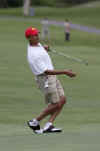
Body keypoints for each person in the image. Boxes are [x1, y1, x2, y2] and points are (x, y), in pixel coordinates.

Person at [25, 27, 76, 134]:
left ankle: (49, 125)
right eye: (35, 35)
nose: (37, 36)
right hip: (45, 79)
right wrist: (65, 72)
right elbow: (46, 71)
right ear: (29, 38)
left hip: (52, 77)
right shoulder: (33, 55)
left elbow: (39, 48)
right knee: (56, 104)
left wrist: (44, 48)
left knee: (63, 100)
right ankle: (35, 121)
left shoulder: (36, 45)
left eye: (37, 34)